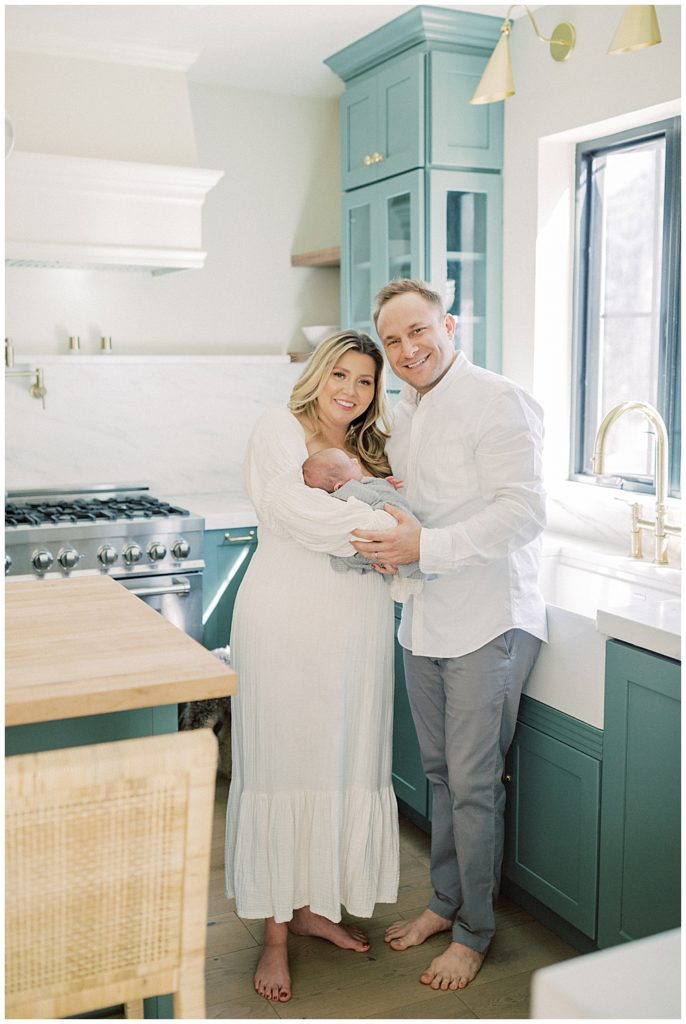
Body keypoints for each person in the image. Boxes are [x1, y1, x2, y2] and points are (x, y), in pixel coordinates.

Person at [351, 279, 548, 992]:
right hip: (425, 617)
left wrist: (423, 549)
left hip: (488, 617)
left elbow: (522, 514)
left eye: (418, 332)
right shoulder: (407, 409)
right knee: (439, 776)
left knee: (470, 785)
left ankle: (474, 932)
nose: (407, 350)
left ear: (450, 326)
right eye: (394, 340)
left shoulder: (497, 399)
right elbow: (414, 502)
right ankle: (445, 901)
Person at [225, 331, 400, 1004]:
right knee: (284, 762)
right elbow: (287, 508)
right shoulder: (278, 427)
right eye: (342, 374)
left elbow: (406, 519)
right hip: (286, 621)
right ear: (320, 373)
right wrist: (381, 526)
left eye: (365, 382)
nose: (351, 391)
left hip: (354, 628)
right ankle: (274, 936)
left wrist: (386, 518)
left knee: (339, 759)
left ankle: (311, 908)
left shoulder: (369, 450)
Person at [302, 447, 426, 599]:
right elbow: (371, 499)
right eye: (350, 464)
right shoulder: (347, 493)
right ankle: (409, 579)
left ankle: (407, 577)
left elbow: (371, 488)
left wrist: (385, 485)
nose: (355, 461)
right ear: (340, 487)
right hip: (387, 530)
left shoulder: (355, 485)